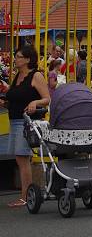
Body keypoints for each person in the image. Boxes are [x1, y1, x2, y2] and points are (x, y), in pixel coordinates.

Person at [0, 45, 50, 208]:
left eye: (19, 56)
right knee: (19, 158)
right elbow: (16, 97)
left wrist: (35, 102)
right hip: (14, 119)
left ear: (28, 59)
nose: (16, 59)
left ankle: (26, 196)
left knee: (23, 158)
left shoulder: (36, 76)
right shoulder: (17, 76)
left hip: (26, 121)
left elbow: (47, 98)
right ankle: (27, 194)